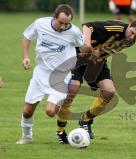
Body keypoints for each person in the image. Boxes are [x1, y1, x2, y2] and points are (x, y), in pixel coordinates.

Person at [56, 18, 136, 144]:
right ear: (130, 25)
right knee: (73, 89)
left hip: (96, 62)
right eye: (132, 32)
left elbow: (105, 51)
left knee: (109, 91)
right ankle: (60, 130)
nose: (132, 37)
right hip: (78, 57)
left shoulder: (130, 42)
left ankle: (86, 120)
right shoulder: (116, 28)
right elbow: (88, 25)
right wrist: (87, 43)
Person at [16, 4, 85, 144]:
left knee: (50, 112)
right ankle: (26, 136)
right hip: (40, 73)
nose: (63, 27)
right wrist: (25, 57)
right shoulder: (40, 23)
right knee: (27, 110)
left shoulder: (75, 32)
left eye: (67, 24)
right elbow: (27, 37)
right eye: (61, 23)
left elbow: (82, 47)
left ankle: (60, 100)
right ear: (54, 17)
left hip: (60, 76)